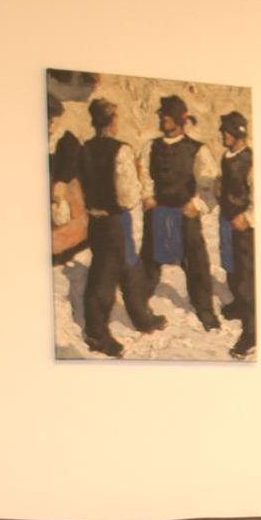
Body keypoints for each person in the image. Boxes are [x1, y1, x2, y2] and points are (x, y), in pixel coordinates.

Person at [76, 97, 166, 358]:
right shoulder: (121, 150)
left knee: (130, 265)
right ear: (112, 121)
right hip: (114, 220)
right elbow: (127, 197)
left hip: (96, 220)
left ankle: (142, 316)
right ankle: (97, 334)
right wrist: (137, 190)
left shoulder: (85, 148)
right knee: (104, 278)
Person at [136, 95, 222, 332]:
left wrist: (198, 204)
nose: (162, 120)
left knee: (196, 263)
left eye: (167, 117)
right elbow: (144, 175)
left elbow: (210, 183)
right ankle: (139, 309)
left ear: (179, 120)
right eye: (162, 116)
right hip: (158, 212)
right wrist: (147, 196)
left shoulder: (197, 150)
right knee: (149, 262)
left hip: (185, 214)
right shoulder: (151, 146)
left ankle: (205, 311)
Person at [217, 109, 256, 360]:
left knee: (247, 276)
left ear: (238, 133)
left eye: (227, 131)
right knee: (230, 266)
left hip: (243, 225)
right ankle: (239, 304)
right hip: (227, 220)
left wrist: (248, 217)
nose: (223, 135)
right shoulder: (226, 156)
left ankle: (251, 332)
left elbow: (259, 194)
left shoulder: (251, 161)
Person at [47, 94, 86, 264]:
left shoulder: (66, 139)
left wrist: (61, 182)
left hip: (67, 187)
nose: (51, 125)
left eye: (53, 120)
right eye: (49, 120)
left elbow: (71, 162)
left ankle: (64, 252)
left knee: (68, 222)